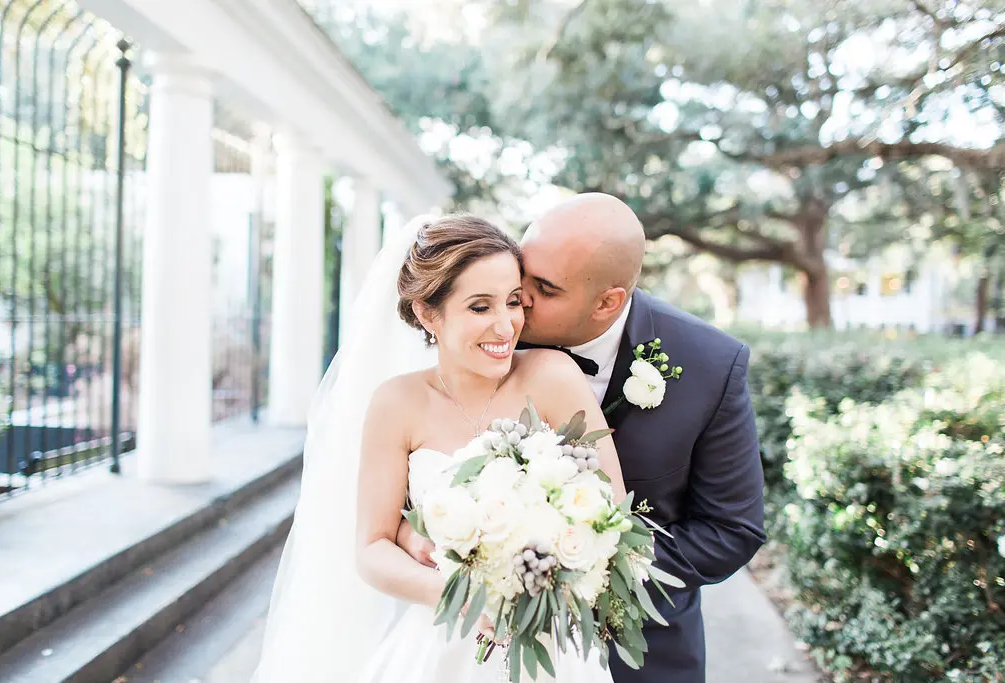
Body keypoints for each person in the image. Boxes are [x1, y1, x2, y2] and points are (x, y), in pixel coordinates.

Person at [398, 193, 767, 683]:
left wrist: (579, 564)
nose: (519, 300)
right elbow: (411, 473)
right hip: (481, 648)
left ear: (608, 302)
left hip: (644, 651)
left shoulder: (710, 365)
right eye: (522, 275)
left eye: (544, 289)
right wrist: (421, 536)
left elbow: (732, 529)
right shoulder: (487, 333)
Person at [251, 214, 622, 682]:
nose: (506, 326)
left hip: (551, 648)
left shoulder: (553, 375)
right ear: (429, 314)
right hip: (440, 645)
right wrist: (454, 593)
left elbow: (612, 511)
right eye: (480, 307)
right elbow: (372, 546)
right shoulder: (396, 403)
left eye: (513, 301)